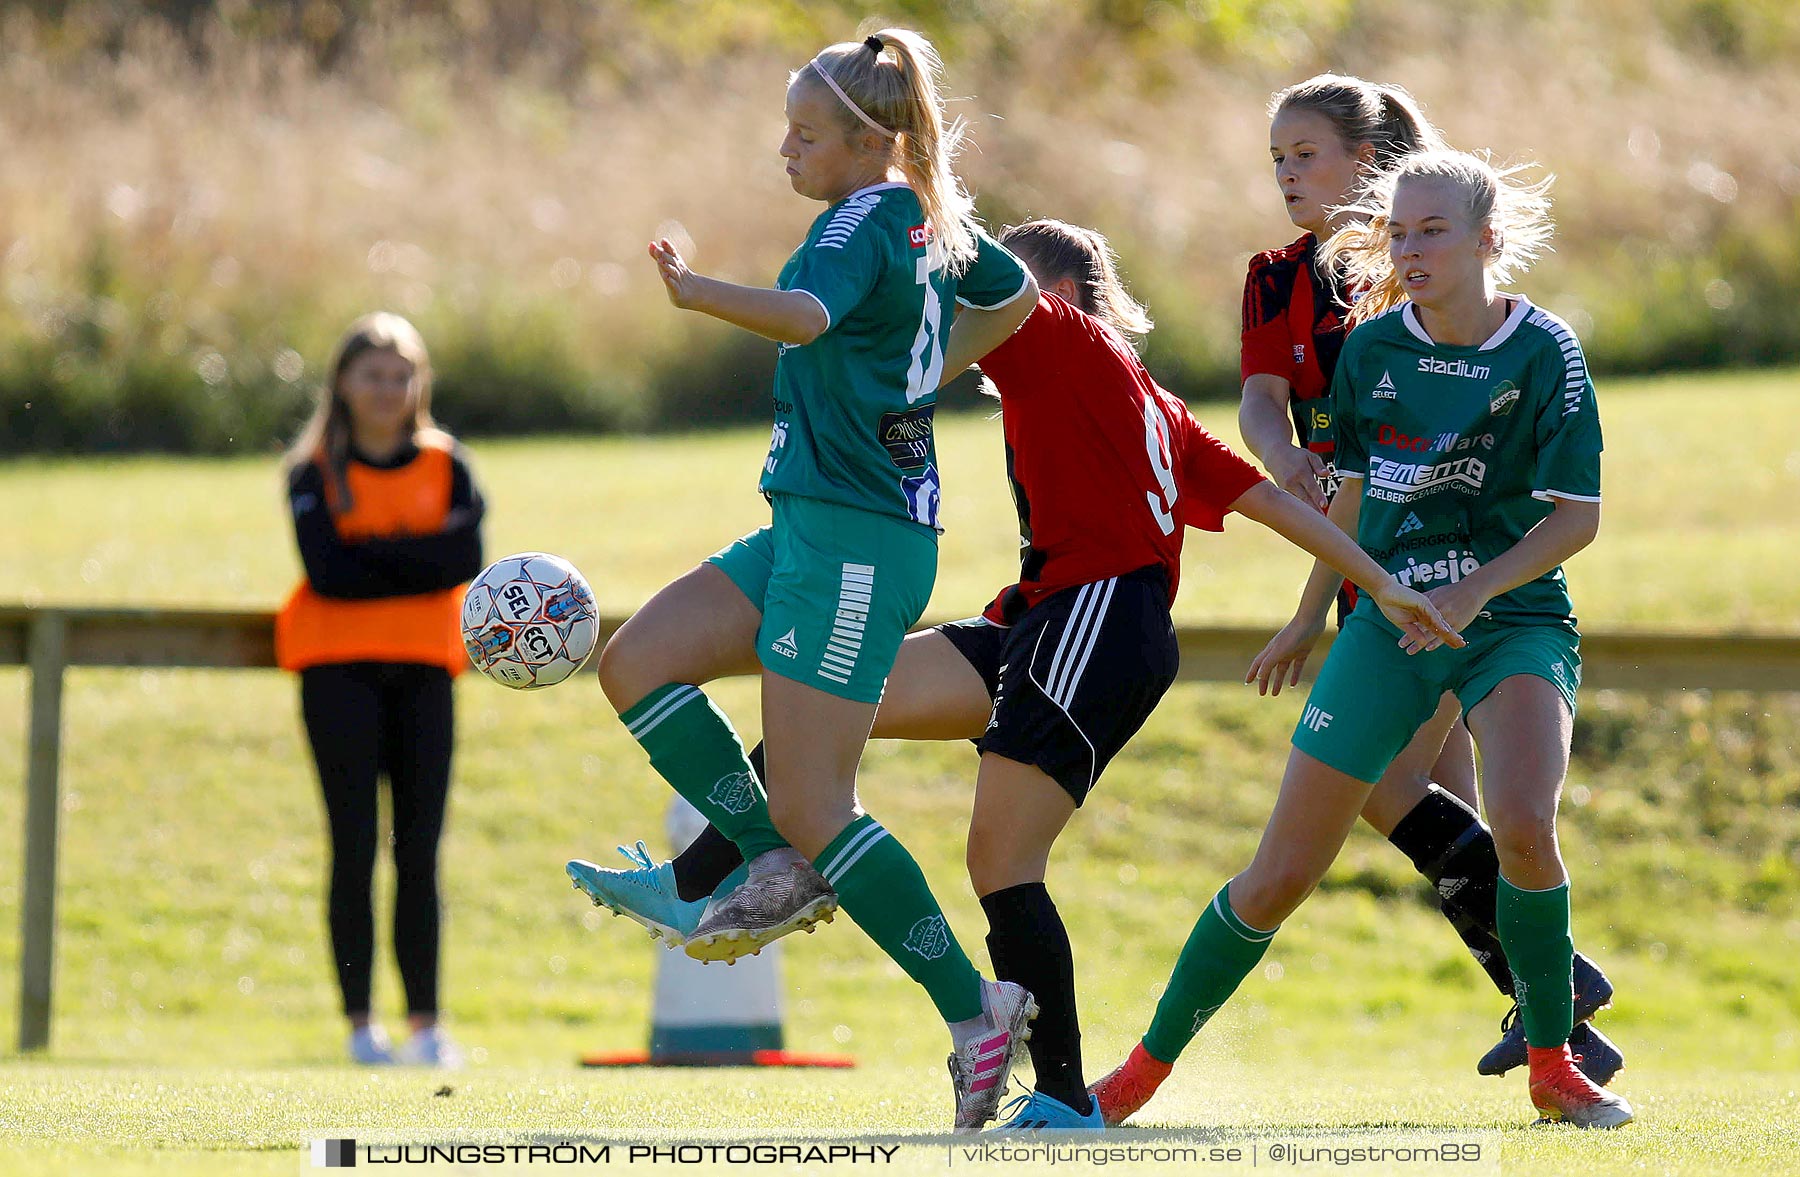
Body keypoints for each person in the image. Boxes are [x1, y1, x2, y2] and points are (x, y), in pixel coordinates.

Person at [572, 218, 1460, 1133]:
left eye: (989, 294)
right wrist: (1379, 580)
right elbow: (1270, 500)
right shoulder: (1150, 397)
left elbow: (971, 284)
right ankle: (719, 871)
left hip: (1096, 617)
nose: (967, 312)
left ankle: (1067, 1096)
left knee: (1000, 857)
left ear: (1058, 298)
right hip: (1044, 613)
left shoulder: (1059, 332)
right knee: (834, 707)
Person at [1091, 149, 1633, 1129]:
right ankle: (1132, 1079)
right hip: (1388, 624)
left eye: (1435, 231)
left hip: (1511, 622)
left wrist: (1472, 589)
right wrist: (1310, 613)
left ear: (1487, 241)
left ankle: (1555, 1066)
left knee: (1520, 822)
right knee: (1280, 874)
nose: (1412, 250)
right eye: (1401, 232)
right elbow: (1349, 497)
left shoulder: (1545, 350)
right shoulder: (1373, 351)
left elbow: (1575, 518)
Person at [569, 29, 1044, 1134]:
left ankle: (974, 1010)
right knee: (637, 661)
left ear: (868, 142)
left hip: (858, 542)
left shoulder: (863, 215)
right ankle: (761, 847)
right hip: (812, 524)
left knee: (819, 802)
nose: (784, 148)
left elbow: (807, 317)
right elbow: (1012, 293)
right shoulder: (925, 216)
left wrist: (697, 296)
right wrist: (919, 371)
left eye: (805, 132)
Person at [1233, 74, 1619, 1082]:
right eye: (1275, 156)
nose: (1284, 172)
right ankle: (1553, 1000)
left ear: (1371, 165)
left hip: (1446, 572)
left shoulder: (1434, 265)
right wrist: (1288, 468)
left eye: (1303, 153)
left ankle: (1553, 1003)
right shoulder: (1277, 278)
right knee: (1434, 810)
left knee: (1410, 796)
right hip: (1359, 552)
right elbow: (1264, 401)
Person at [275, 312, 483, 1067]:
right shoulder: (312, 471)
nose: (388, 390)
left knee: (420, 849)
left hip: (426, 668)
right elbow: (328, 572)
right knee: (353, 845)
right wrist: (409, 559)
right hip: (335, 671)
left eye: (402, 376)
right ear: (343, 382)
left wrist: (376, 555)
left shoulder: (448, 463)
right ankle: (361, 1024)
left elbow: (462, 556)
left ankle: (428, 1024)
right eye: (373, 375)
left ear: (418, 383)